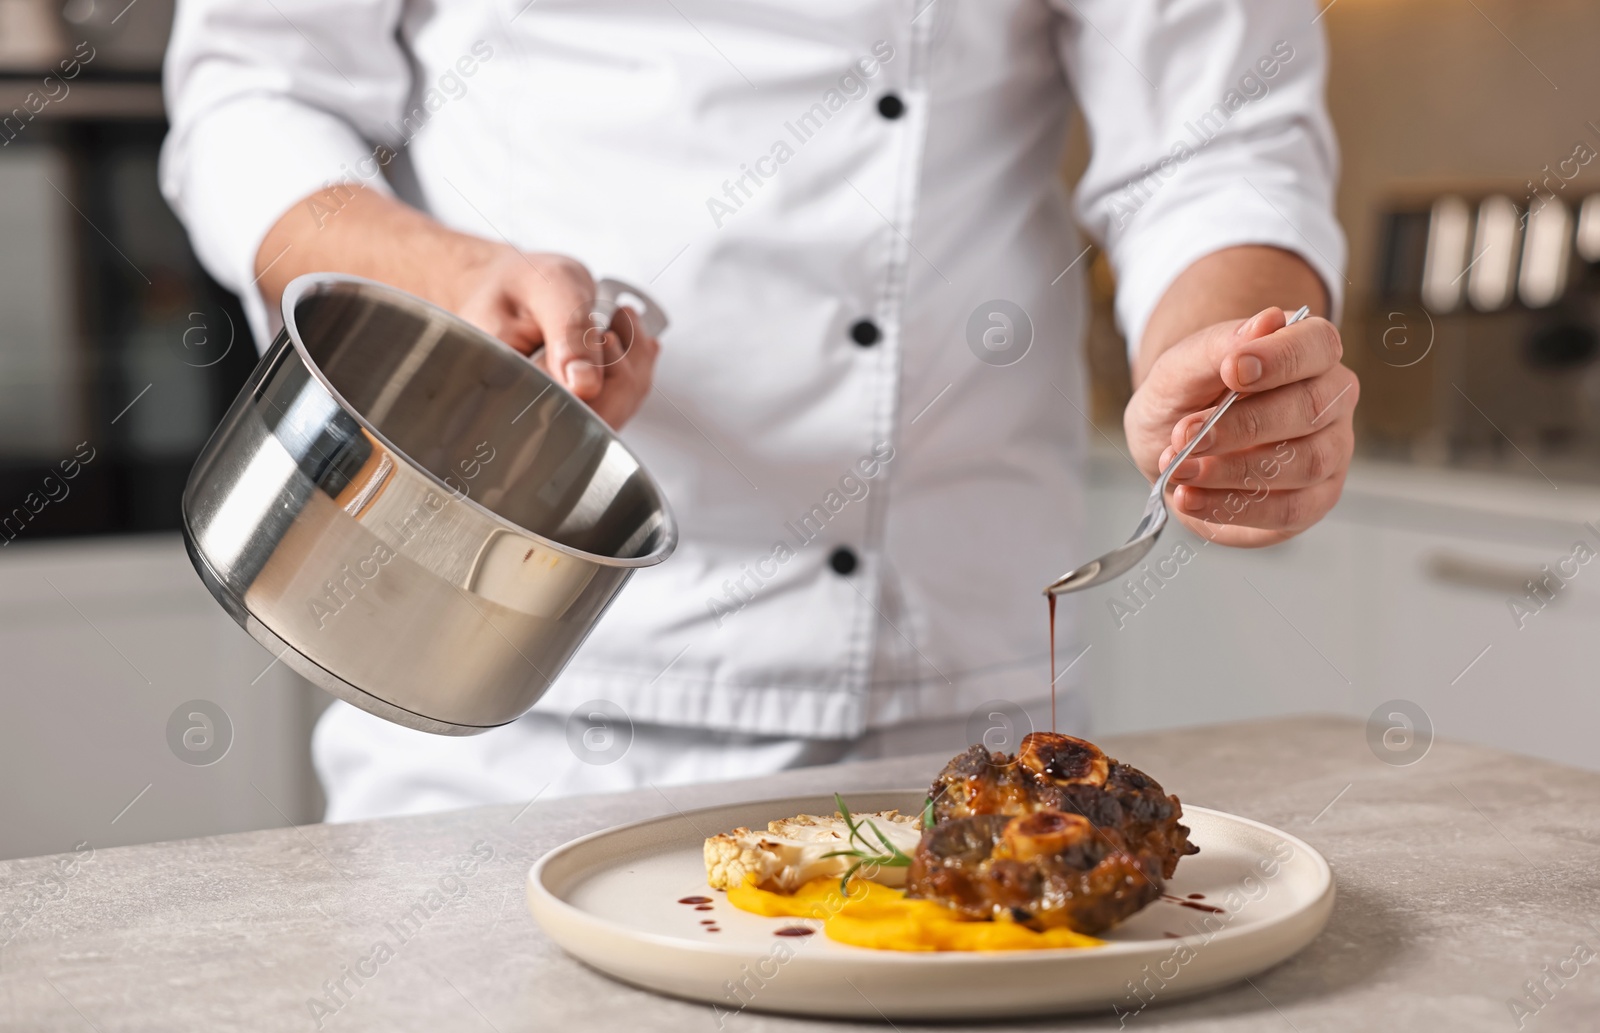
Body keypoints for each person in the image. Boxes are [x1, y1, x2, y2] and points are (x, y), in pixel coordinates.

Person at [161, 0, 1357, 820]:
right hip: (494, 703)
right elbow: (254, 89)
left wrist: (1229, 356)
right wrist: (444, 275)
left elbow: (1219, 141)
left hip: (943, 699)